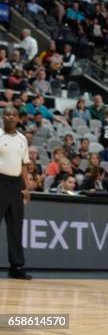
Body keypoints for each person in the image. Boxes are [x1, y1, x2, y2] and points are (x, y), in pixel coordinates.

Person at [0, 107, 32, 279]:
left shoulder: (22, 139)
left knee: (15, 227)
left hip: (15, 185)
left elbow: (24, 164)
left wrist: (26, 187)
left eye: (13, 115)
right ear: (3, 117)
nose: (10, 117)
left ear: (18, 119)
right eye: (7, 114)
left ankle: (16, 267)